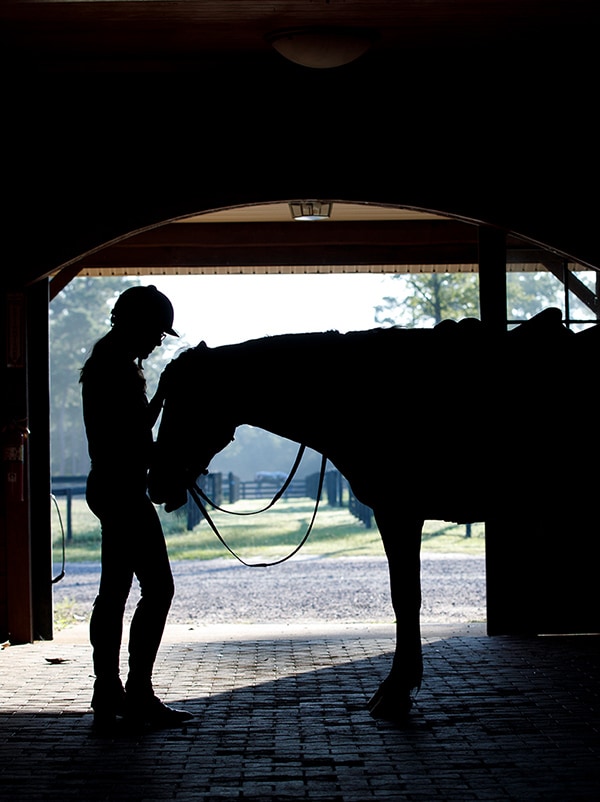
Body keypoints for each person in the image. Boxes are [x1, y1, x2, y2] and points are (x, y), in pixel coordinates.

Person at [80, 285, 192, 730]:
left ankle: (108, 688)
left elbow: (130, 432)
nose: (158, 341)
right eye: (156, 332)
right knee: (158, 588)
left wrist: (160, 393)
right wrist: (164, 394)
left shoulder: (108, 361)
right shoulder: (118, 370)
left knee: (113, 594)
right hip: (122, 490)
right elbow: (134, 438)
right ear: (138, 324)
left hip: (110, 486)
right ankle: (137, 691)